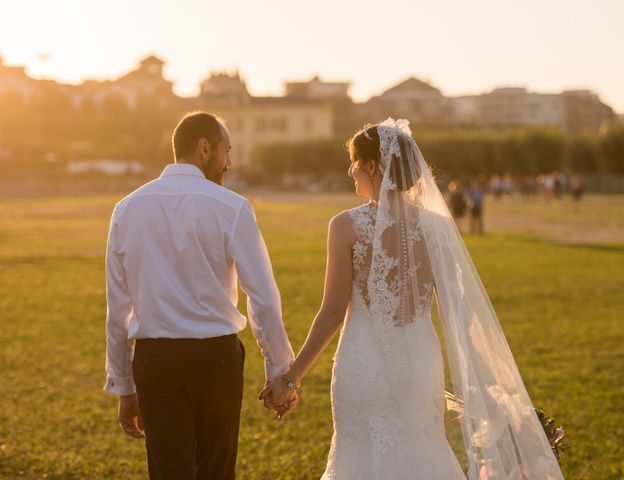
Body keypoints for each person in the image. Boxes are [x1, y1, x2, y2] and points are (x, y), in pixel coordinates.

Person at [261, 119, 564, 479]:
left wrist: (292, 379)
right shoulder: (436, 227)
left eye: (355, 162)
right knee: (423, 450)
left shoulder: (344, 226)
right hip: (420, 365)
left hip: (362, 367)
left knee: (360, 455)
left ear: (373, 166)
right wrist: (484, 388)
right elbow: (456, 317)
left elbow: (331, 313)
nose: (350, 170)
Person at [104, 111, 296, 480]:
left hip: (154, 360)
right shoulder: (232, 207)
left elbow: (119, 308)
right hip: (216, 359)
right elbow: (264, 299)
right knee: (216, 471)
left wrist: (123, 385)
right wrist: (278, 371)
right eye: (227, 151)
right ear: (204, 147)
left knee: (168, 472)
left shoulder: (126, 209)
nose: (230, 162)